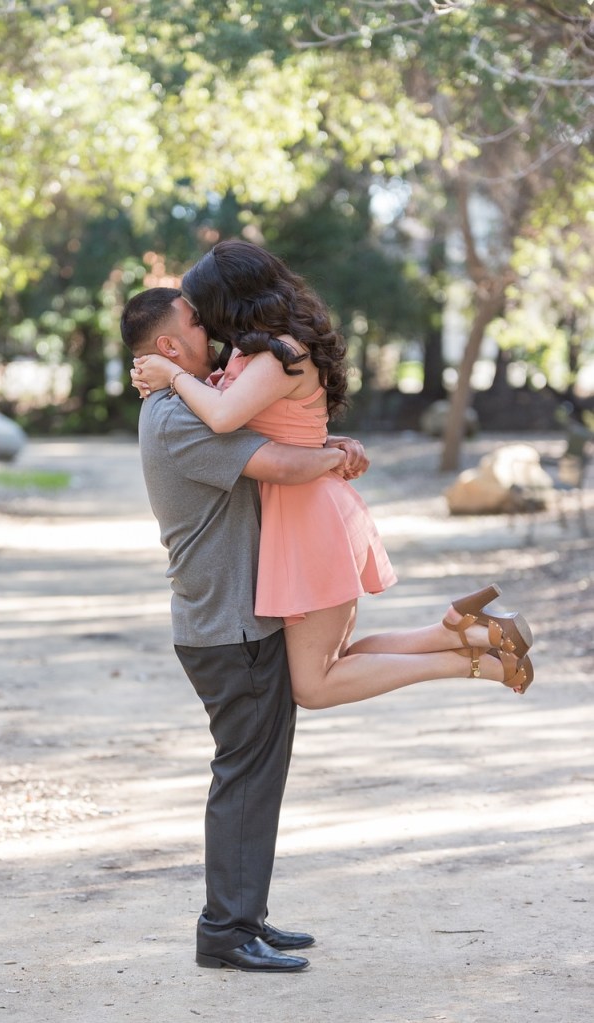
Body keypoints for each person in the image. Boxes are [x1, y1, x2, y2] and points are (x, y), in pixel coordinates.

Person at [131, 240, 534, 712]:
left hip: (308, 515)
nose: (205, 321)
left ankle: (479, 661)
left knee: (314, 685)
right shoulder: (252, 352)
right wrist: (167, 373)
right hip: (297, 513)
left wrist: (172, 376)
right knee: (336, 660)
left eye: (204, 312)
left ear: (229, 301)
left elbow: (222, 418)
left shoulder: (281, 353)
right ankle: (464, 631)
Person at [120, 286, 369, 973]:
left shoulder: (189, 400)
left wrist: (327, 445)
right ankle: (225, 930)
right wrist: (336, 456)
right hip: (228, 625)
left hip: (233, 618)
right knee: (244, 775)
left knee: (257, 773)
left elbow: (284, 442)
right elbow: (281, 464)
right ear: (169, 345)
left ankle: (244, 916)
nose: (214, 326)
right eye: (197, 321)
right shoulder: (177, 416)